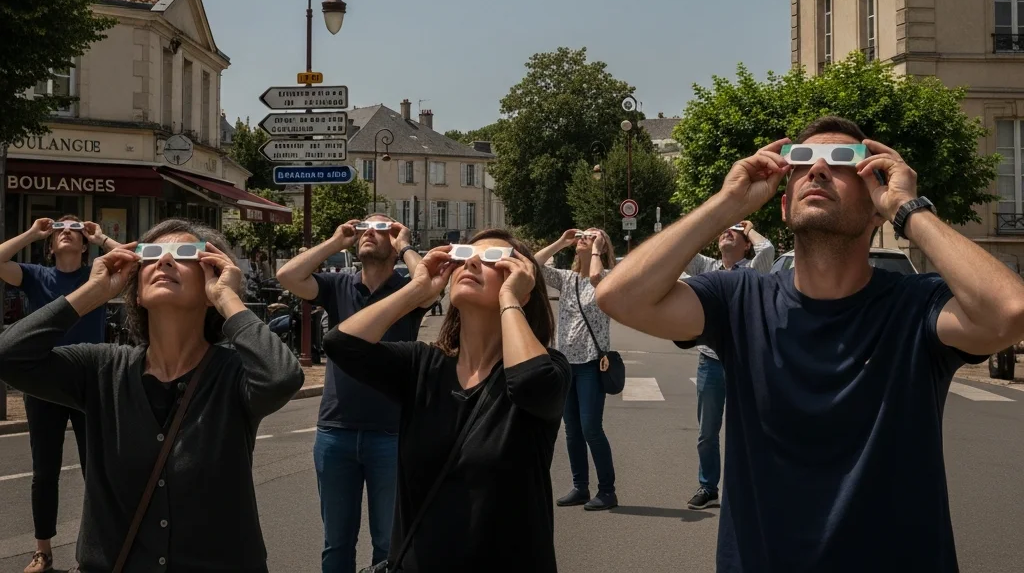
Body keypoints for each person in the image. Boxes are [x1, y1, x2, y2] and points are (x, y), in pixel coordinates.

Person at [596, 116, 1024, 573]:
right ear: (783, 206)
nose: (818, 169)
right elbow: (618, 296)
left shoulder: (917, 305)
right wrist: (726, 204)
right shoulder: (739, 298)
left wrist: (907, 206)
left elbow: (1011, 312)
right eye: (800, 161)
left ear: (876, 205)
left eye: (844, 161)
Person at [0, 219, 303, 573]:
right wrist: (93, 292)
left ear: (211, 277)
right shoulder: (101, 369)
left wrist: (228, 298)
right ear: (137, 291)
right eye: (152, 254)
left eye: (185, 253)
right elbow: (9, 356)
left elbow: (282, 377)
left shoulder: (234, 372)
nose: (165, 261)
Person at [322, 229, 570, 573]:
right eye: (466, 254)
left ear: (522, 282)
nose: (471, 262)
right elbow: (340, 345)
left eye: (493, 259)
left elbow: (531, 384)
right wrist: (417, 290)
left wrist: (511, 299)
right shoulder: (422, 365)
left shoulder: (548, 367)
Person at [275, 215, 424, 573]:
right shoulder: (338, 285)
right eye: (364, 229)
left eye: (381, 229)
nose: (370, 233)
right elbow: (288, 276)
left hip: (390, 431)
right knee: (336, 543)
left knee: (388, 545)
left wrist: (404, 243)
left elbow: (430, 281)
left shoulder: (408, 290)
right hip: (335, 431)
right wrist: (335, 241)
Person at [0, 215, 120, 573]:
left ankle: (99, 550)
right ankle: (43, 552)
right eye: (60, 231)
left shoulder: (97, 275)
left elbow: (139, 264)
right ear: (51, 246)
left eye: (75, 230)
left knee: (95, 469)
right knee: (44, 471)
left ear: (84, 245)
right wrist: (33, 233)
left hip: (89, 380)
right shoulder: (37, 275)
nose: (66, 232)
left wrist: (102, 239)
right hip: (43, 381)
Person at [681, 220, 775, 510]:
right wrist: (716, 224)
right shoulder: (708, 268)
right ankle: (709, 488)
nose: (727, 233)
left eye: (735, 232)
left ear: (745, 244)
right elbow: (685, 248)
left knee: (746, 428)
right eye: (725, 231)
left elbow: (768, 249)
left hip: (743, 360)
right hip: (710, 361)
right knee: (707, 432)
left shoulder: (752, 270)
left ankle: (747, 488)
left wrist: (748, 228)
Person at [534, 226, 619, 511]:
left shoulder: (606, 279)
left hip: (592, 363)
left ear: (602, 247)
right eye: (583, 236)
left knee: (591, 428)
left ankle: (607, 491)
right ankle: (580, 487)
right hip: (565, 363)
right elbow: (533, 265)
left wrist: (597, 247)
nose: (585, 239)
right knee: (571, 430)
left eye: (592, 236)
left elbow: (595, 275)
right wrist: (560, 241)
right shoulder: (566, 278)